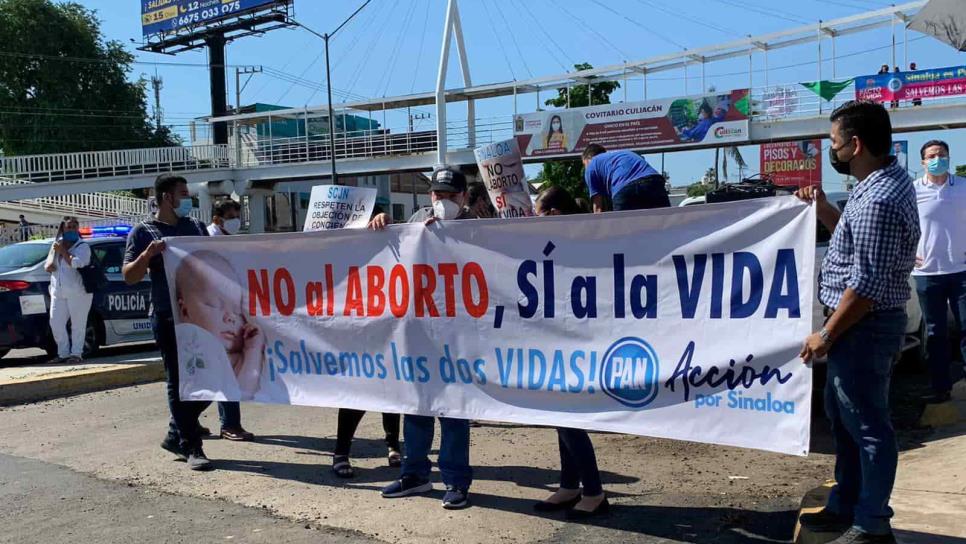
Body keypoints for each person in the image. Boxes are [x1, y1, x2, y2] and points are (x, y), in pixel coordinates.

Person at [796, 100, 920, 544]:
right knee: (845, 418)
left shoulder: (879, 199)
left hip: (862, 329)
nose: (832, 151)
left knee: (867, 426)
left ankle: (872, 525)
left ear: (855, 144)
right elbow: (851, 240)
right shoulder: (877, 184)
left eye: (834, 143)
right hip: (859, 327)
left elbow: (864, 287)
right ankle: (845, 503)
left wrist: (826, 335)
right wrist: (826, 208)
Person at [369, 167, 475, 509]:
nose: (441, 200)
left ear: (464, 197)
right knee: (416, 407)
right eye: (436, 194)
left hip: (460, 335)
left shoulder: (480, 225)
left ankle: (456, 481)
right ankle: (415, 474)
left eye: (448, 195)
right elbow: (391, 251)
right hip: (420, 332)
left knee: (454, 411)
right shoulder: (418, 217)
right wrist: (383, 225)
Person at [123, 174, 214, 471]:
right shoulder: (144, 231)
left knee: (215, 378)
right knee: (179, 381)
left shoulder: (196, 227)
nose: (188, 200)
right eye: (183, 194)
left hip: (200, 313)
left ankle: (177, 430)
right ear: (166, 197)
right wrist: (147, 256)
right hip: (167, 314)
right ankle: (191, 445)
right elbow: (129, 276)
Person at [531, 186, 609, 520]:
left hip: (575, 338)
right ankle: (570, 484)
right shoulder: (556, 240)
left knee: (568, 415)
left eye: (540, 216)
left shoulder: (579, 240)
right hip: (554, 336)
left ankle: (593, 490)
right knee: (558, 414)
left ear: (554, 215)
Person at [912, 140, 966, 404]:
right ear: (922, 162)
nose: (937, 159)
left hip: (962, 272)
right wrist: (908, 253)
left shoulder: (963, 187)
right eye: (931, 156)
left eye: (942, 155)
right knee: (935, 333)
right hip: (927, 274)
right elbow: (901, 226)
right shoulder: (912, 192)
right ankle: (940, 389)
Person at [203, 199, 255, 442]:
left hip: (230, 311)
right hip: (214, 314)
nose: (236, 221)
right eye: (232, 216)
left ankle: (184, 422)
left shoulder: (227, 240)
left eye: (237, 215)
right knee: (225, 368)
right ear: (217, 219)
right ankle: (229, 424)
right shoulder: (205, 239)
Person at [44, 216, 92, 364]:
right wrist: (49, 264)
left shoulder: (82, 247)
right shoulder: (57, 245)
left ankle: (76, 353)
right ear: (62, 229)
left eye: (73, 227)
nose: (71, 230)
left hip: (78, 292)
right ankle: (63, 353)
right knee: (55, 323)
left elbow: (77, 263)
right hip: (58, 292)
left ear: (77, 229)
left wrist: (63, 251)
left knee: (78, 324)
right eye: (68, 227)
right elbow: (47, 265)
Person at [582, 144, 670, 213]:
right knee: (667, 222)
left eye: (584, 164)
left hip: (625, 188)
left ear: (587, 159)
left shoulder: (591, 165)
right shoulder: (624, 153)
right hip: (654, 181)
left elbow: (598, 208)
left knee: (623, 231)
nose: (585, 168)